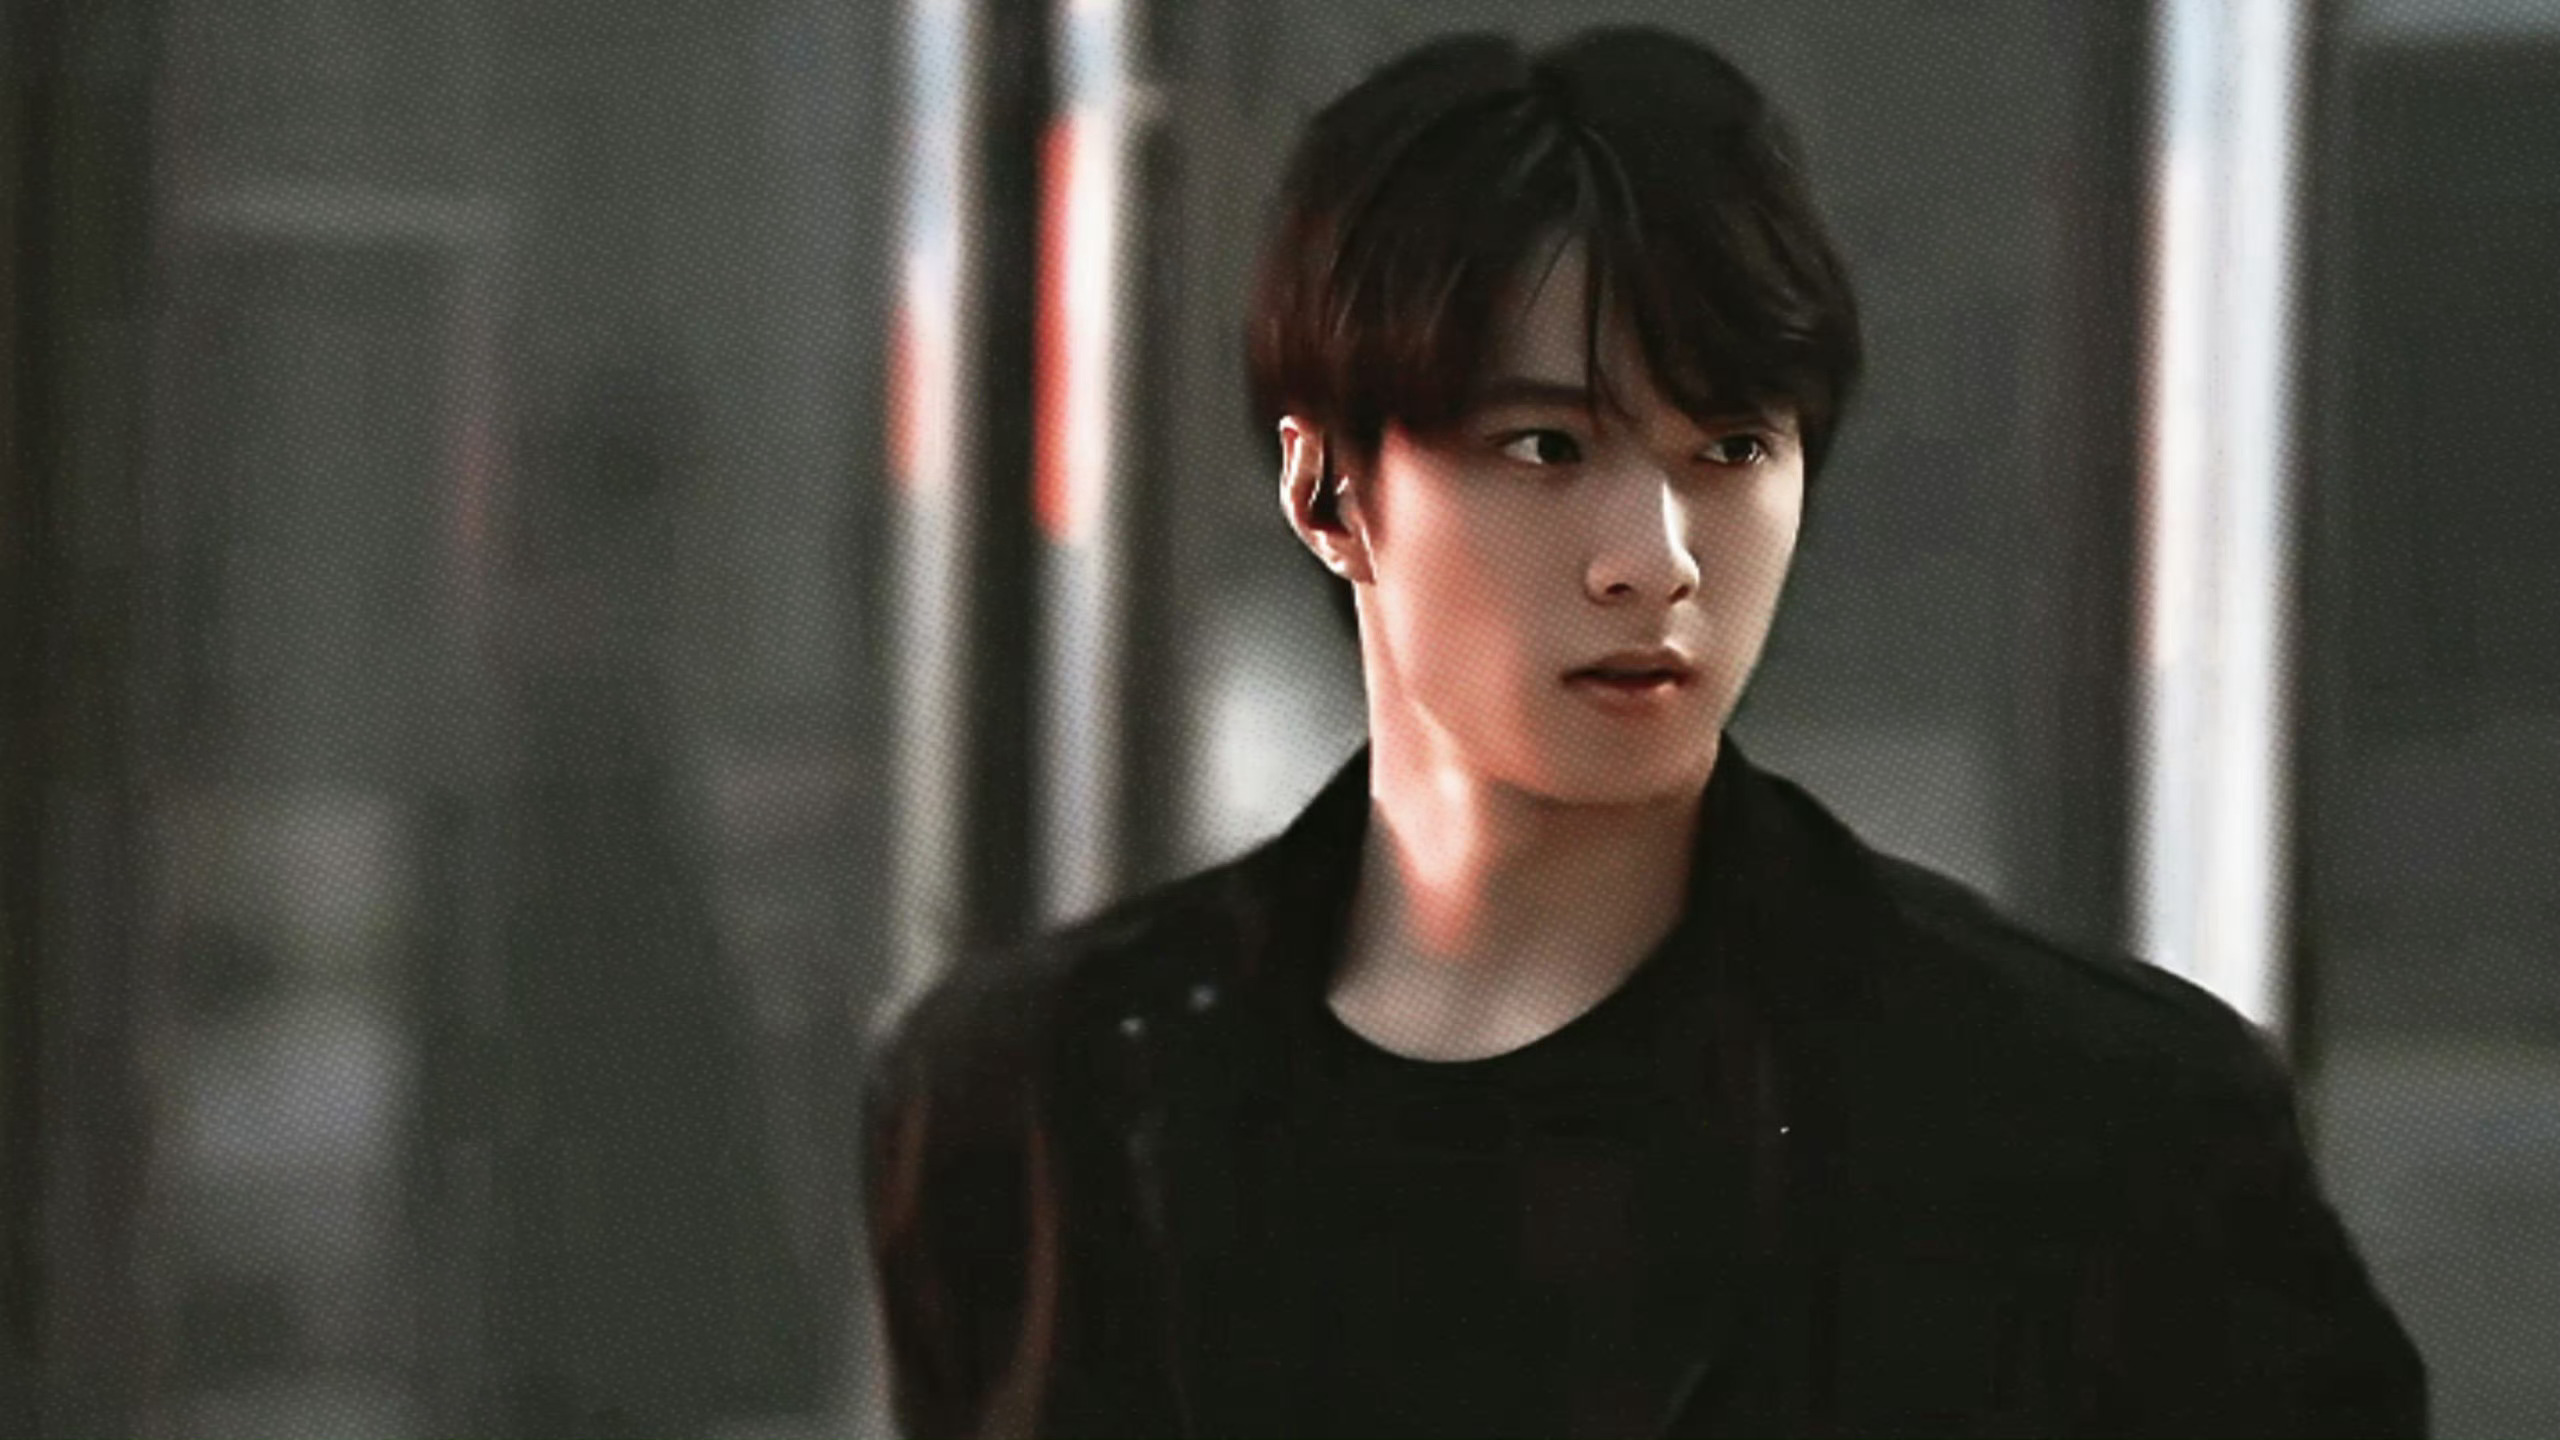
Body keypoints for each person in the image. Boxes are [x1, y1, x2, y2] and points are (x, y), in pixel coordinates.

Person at [861, 25, 2427, 1439]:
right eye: (1548, 446)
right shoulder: (1030, 1101)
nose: (1656, 556)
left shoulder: (2105, 1129)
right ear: (1327, 488)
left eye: (1730, 448)